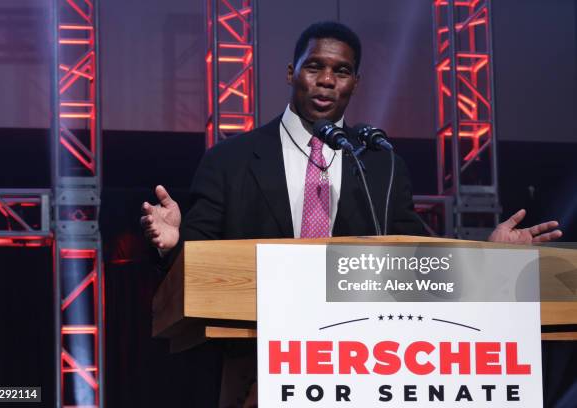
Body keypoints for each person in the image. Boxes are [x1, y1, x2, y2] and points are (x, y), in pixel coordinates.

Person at [141, 21, 562, 407]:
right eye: (314, 67)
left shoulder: (379, 163)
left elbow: (416, 258)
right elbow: (201, 261)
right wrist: (177, 242)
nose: (326, 81)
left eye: (341, 71)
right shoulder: (230, 160)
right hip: (257, 364)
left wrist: (488, 257)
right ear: (292, 73)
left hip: (357, 368)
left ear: (355, 83)